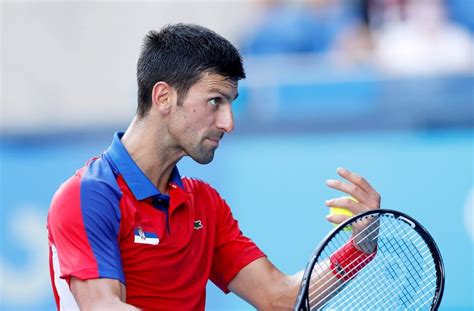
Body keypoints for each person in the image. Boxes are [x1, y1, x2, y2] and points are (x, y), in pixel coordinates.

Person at [47, 23, 381, 310]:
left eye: (230, 104)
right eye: (214, 101)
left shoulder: (204, 204)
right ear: (163, 97)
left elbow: (279, 298)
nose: (228, 122)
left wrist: (359, 249)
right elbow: (104, 306)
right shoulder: (88, 195)